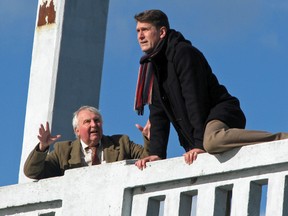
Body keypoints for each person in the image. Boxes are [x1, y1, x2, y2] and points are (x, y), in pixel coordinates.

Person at [133, 9, 288, 169]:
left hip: (218, 114)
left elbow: (194, 99)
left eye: (145, 30)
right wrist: (156, 154)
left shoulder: (183, 53)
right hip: (201, 127)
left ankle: (282, 140)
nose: (140, 36)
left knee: (212, 141)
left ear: (162, 32)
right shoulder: (153, 66)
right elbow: (158, 113)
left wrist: (199, 144)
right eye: (138, 31)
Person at [24, 105, 150, 179]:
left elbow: (150, 159)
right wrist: (42, 148)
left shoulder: (121, 143)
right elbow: (32, 172)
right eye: (87, 122)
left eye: (97, 120)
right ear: (77, 130)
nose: (94, 125)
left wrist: (149, 139)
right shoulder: (62, 151)